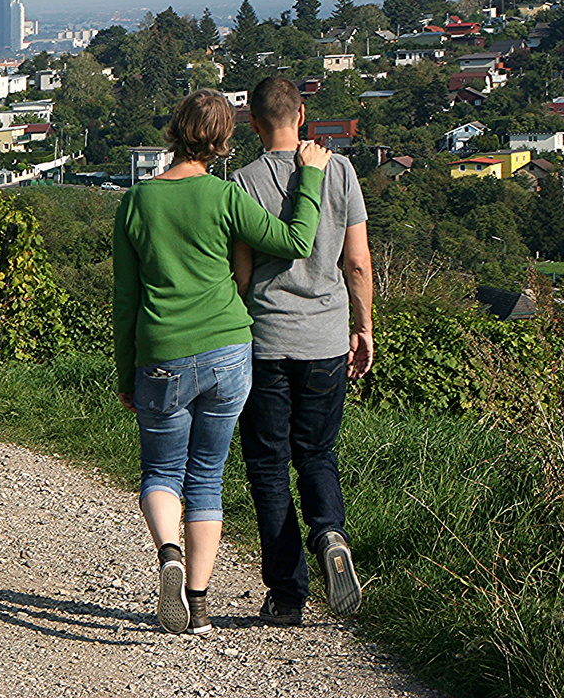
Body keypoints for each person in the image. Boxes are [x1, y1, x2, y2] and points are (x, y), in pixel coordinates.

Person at [113, 89, 332, 635]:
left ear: (173, 130)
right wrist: (308, 176)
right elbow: (294, 239)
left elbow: (125, 298)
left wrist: (126, 373)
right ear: (224, 139)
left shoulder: (137, 202)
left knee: (162, 472)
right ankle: (199, 603)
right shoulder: (224, 196)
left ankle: (168, 551)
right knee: (207, 478)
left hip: (160, 353)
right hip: (228, 351)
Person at [232, 77, 373, 625]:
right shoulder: (340, 172)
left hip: (266, 341)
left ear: (252, 122)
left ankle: (288, 594)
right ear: (303, 113)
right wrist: (363, 327)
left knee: (267, 466)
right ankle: (330, 533)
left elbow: (241, 274)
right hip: (325, 339)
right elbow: (357, 263)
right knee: (317, 452)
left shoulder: (241, 185)